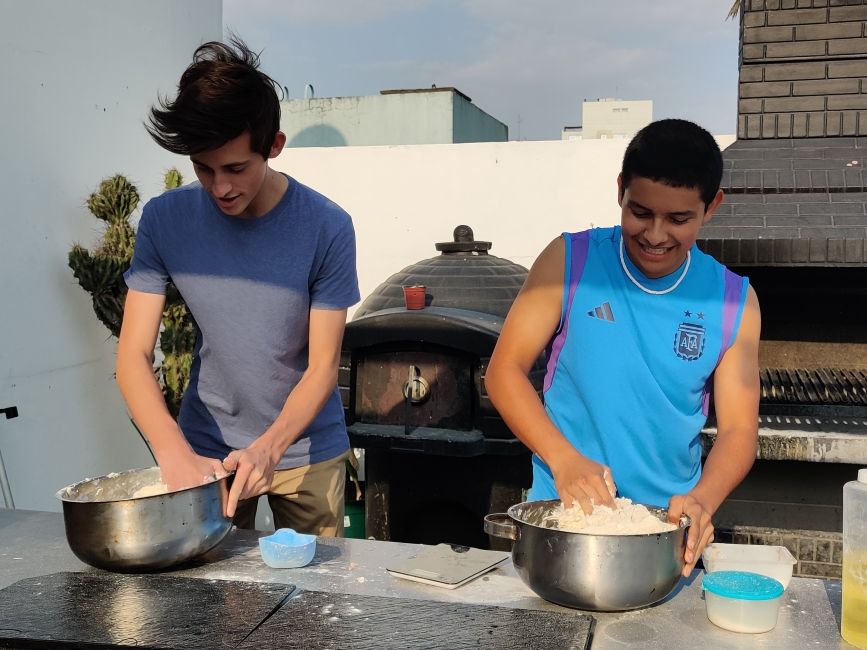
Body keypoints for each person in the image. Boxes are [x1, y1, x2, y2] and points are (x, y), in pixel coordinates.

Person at [485, 118, 760, 576]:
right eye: (640, 212)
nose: (655, 234)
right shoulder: (570, 261)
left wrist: (703, 499)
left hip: (665, 536)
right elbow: (504, 371)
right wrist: (565, 458)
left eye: (678, 219)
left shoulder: (734, 301)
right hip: (563, 523)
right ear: (620, 191)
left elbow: (738, 431)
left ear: (711, 207)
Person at [116, 36, 360, 536]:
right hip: (204, 448)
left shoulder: (327, 227)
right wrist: (174, 453)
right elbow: (132, 356)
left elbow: (322, 368)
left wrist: (269, 448)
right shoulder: (164, 221)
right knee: (207, 603)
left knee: (317, 603)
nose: (220, 187)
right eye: (203, 169)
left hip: (304, 448)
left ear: (274, 147)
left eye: (235, 168)